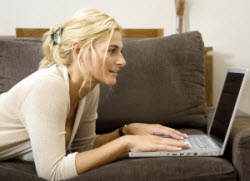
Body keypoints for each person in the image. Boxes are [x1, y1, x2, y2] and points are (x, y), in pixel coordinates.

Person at [0, 8, 190, 181]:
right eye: (112, 51)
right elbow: (52, 172)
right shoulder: (48, 87)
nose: (122, 61)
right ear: (78, 50)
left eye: (120, 51)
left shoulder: (89, 87)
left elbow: (84, 148)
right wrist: (125, 143)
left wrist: (125, 131)